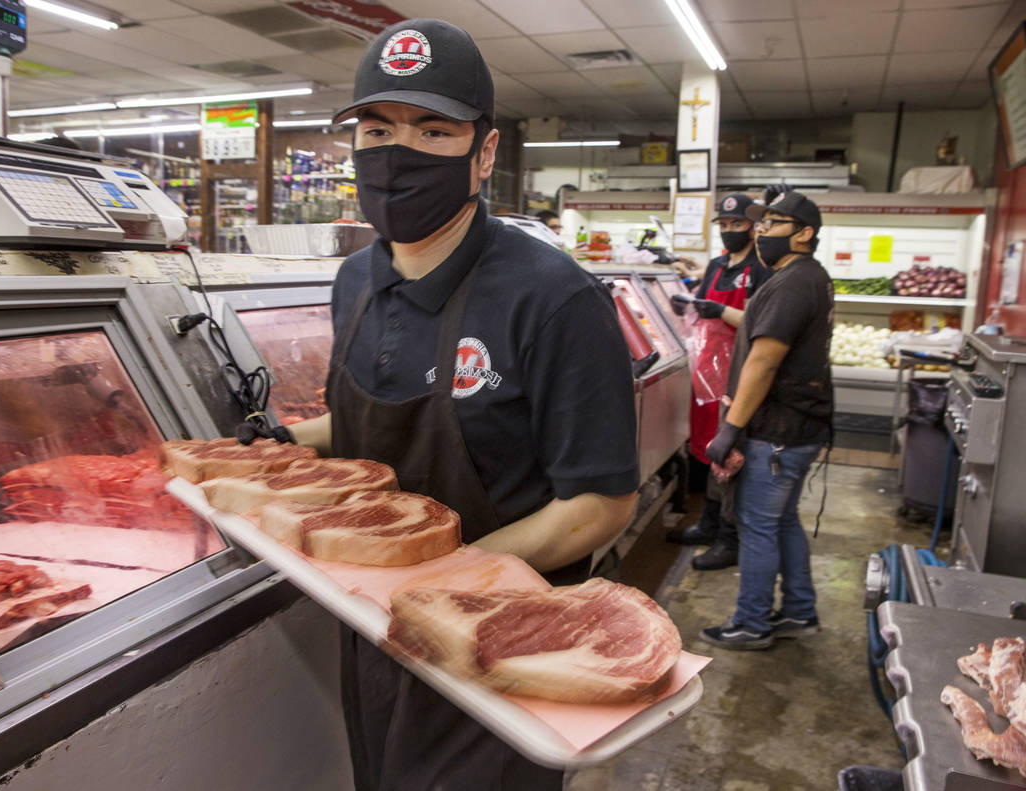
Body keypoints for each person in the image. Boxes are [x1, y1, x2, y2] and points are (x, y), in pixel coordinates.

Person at [246, 18, 640, 790]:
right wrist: (281, 442)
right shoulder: (353, 281)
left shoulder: (554, 298)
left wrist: (455, 583)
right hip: (375, 626)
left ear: (483, 151)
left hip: (503, 643)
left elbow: (599, 503)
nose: (400, 153)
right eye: (378, 128)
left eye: (433, 130)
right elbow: (363, 420)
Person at [699, 190, 834, 650]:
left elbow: (764, 361)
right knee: (784, 522)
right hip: (796, 429)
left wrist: (731, 429)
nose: (760, 233)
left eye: (773, 224)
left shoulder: (794, 282)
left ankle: (751, 623)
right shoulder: (803, 277)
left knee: (758, 526)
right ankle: (799, 610)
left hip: (775, 432)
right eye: (760, 224)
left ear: (804, 234)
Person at [665, 193, 771, 571]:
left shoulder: (760, 269)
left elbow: (763, 326)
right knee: (709, 447)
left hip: (741, 370)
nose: (728, 231)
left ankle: (730, 535)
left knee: (732, 452)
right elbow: (701, 307)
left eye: (736, 224)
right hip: (708, 372)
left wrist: (722, 311)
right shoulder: (716, 264)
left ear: (753, 227)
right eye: (723, 226)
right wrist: (689, 303)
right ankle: (709, 521)